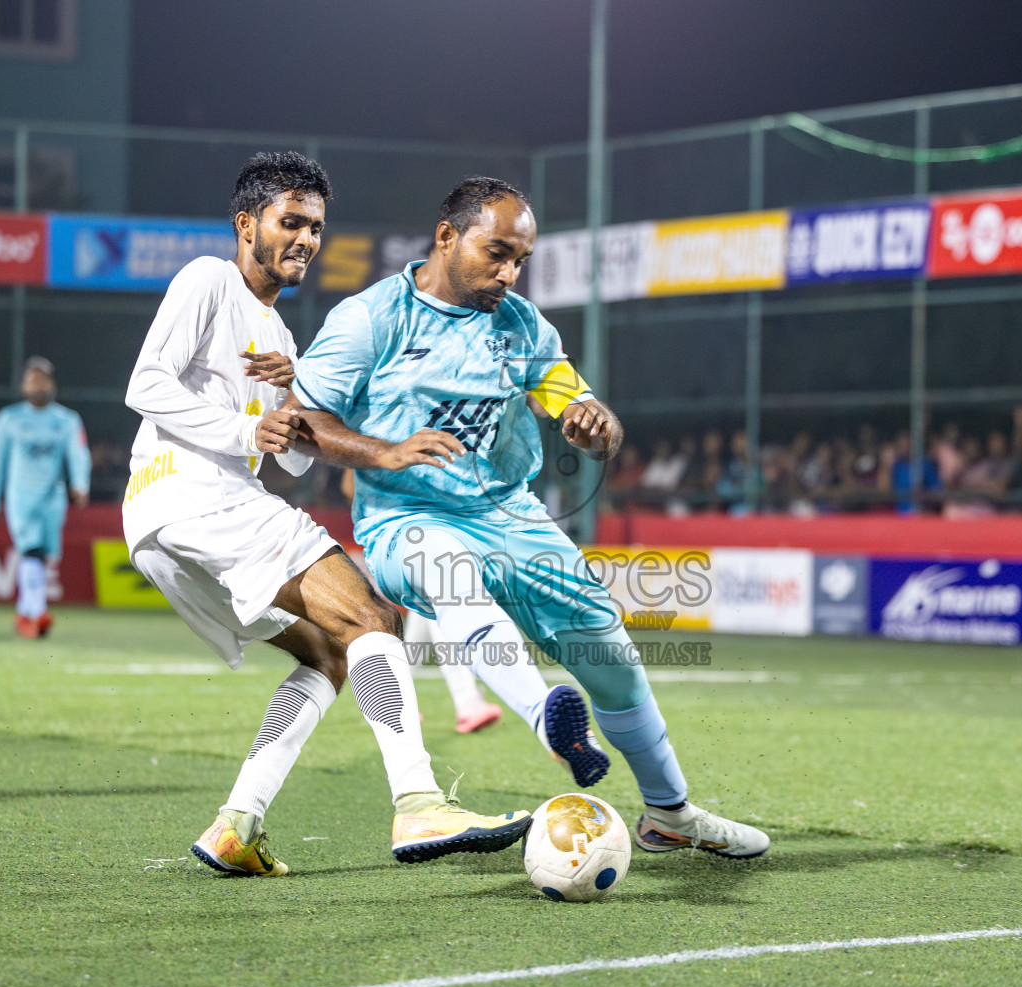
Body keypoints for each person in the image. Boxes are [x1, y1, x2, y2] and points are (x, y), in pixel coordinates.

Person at [277, 176, 769, 859]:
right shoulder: (372, 320)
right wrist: (382, 452)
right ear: (447, 235)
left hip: (512, 515)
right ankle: (547, 719)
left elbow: (572, 404)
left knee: (613, 661)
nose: (508, 273)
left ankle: (669, 814)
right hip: (404, 518)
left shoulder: (523, 326)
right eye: (497, 252)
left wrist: (592, 424)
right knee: (450, 577)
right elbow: (300, 421)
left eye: (520, 260)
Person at [122, 152, 527, 878]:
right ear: (246, 224)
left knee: (330, 654)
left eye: (315, 226)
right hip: (193, 494)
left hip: (169, 522)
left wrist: (327, 419)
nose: (306, 238)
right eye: (291, 222)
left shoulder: (280, 341)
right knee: (375, 618)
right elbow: (147, 382)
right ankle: (419, 801)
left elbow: (300, 456)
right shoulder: (208, 279)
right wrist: (249, 431)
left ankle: (236, 825)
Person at [340, 467, 503, 733]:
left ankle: (392, 699)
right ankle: (468, 702)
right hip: (400, 541)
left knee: (426, 617)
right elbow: (350, 490)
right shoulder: (378, 443)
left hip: (414, 538)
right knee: (440, 610)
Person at [0, 357, 91, 638]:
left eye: (43, 379)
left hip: (52, 498)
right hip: (21, 497)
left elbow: (78, 453)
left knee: (42, 557)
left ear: (52, 384)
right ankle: (38, 612)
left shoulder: (66, 419)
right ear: (23, 385)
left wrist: (81, 484)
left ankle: (24, 615)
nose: (38, 385)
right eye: (32, 379)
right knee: (31, 551)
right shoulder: (9, 419)